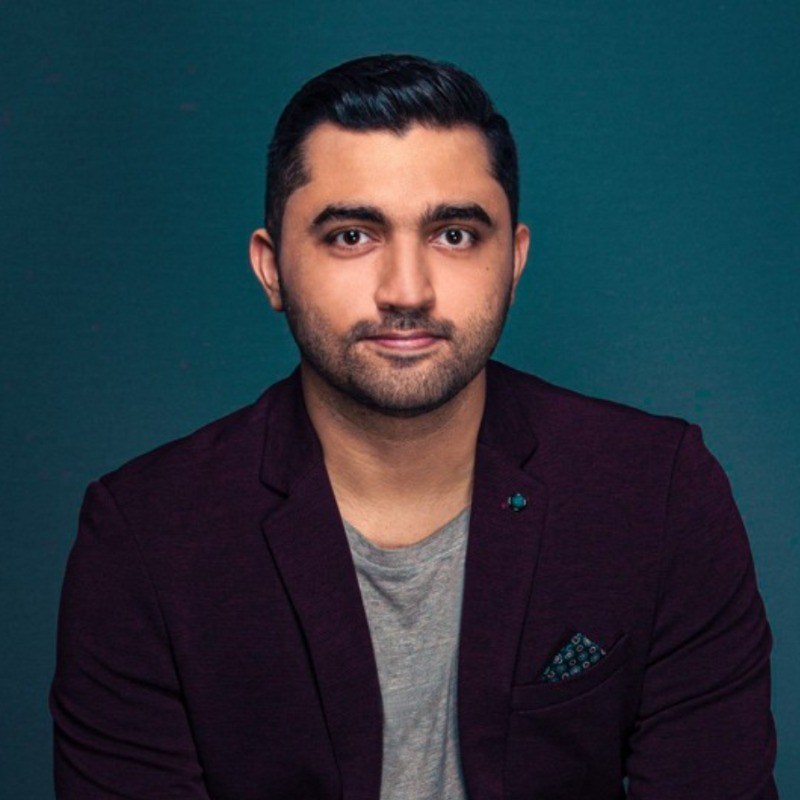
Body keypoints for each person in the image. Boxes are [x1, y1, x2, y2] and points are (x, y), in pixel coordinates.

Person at [50, 54, 778, 799]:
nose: (407, 291)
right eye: (351, 236)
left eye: (454, 235)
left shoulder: (656, 492)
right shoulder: (147, 535)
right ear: (271, 269)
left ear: (514, 261)